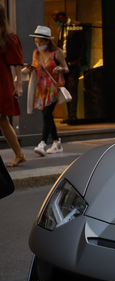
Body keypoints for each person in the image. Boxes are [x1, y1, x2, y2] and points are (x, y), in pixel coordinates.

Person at [27, 26, 69, 156]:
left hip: (53, 88)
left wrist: (60, 69)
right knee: (48, 117)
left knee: (46, 115)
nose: (38, 44)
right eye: (36, 42)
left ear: (47, 41)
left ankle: (42, 143)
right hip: (40, 89)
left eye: (41, 42)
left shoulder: (57, 53)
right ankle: (56, 142)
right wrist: (30, 69)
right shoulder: (36, 53)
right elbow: (36, 68)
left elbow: (66, 68)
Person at [0, 4, 26, 167]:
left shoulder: (8, 37)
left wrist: (19, 85)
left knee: (2, 119)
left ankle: (19, 154)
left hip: (2, 82)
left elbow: (17, 62)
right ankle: (19, 154)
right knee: (2, 120)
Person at [52, 10, 86, 124]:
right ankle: (69, 115)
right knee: (65, 87)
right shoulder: (60, 30)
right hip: (64, 62)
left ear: (61, 17)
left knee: (72, 87)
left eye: (57, 20)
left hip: (74, 61)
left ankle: (73, 115)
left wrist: (79, 61)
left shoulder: (76, 26)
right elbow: (59, 45)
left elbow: (83, 44)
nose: (57, 22)